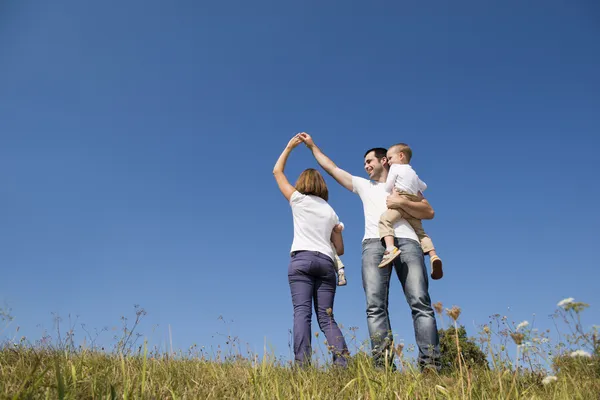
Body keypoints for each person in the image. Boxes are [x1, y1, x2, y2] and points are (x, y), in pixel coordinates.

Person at [298, 132, 441, 371]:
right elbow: (332, 168)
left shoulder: (403, 183)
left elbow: (428, 211)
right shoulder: (364, 185)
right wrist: (312, 146)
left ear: (384, 160)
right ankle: (383, 367)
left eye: (369, 161)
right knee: (375, 307)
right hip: (374, 245)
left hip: (407, 241)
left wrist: (401, 203)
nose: (365, 166)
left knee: (420, 302)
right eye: (364, 163)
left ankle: (431, 366)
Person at [273, 135, 349, 367]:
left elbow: (277, 172)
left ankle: (302, 364)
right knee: (326, 318)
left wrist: (289, 147)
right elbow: (341, 249)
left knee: (302, 313)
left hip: (302, 260)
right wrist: (336, 231)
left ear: (302, 183)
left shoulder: (298, 200)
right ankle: (342, 364)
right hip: (326, 264)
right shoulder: (331, 211)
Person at [378, 144, 443, 280]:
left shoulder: (395, 168)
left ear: (401, 156)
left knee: (385, 220)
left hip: (400, 198)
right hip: (414, 202)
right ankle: (433, 256)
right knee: (421, 232)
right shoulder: (413, 172)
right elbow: (423, 187)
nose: (389, 162)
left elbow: (388, 186)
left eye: (390, 158)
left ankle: (390, 249)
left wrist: (392, 188)